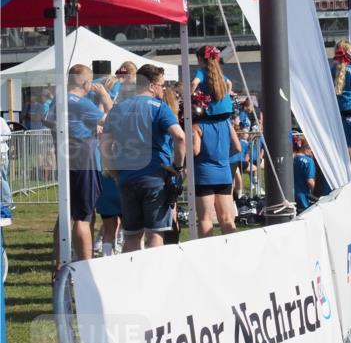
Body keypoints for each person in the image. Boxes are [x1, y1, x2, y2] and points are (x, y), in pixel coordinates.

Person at [102, 65, 185, 253]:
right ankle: (154, 279)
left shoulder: (117, 109)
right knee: (155, 235)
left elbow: (104, 145)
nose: (163, 90)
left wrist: (114, 172)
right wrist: (177, 167)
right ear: (152, 85)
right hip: (155, 178)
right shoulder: (160, 108)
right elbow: (180, 137)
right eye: (162, 85)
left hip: (126, 178)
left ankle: (130, 279)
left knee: (131, 236)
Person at [46, 65, 112, 263]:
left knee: (66, 213)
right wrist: (105, 95)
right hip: (84, 160)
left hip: (67, 158)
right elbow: (113, 118)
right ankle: (85, 267)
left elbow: (49, 121)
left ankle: (60, 266)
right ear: (86, 83)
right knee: (84, 216)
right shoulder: (80, 103)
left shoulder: (59, 99)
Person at [190, 46, 239, 237]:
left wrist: (189, 97)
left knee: (205, 219)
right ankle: (233, 253)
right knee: (227, 219)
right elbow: (236, 147)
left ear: (201, 59)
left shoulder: (198, 127)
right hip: (224, 171)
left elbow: (195, 150)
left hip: (204, 174)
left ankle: (206, 255)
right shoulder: (226, 125)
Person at [292, 137, 316, 213]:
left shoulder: (292, 158)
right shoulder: (309, 161)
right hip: (304, 199)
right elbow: (310, 181)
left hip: (290, 196)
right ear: (307, 147)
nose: (313, 152)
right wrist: (315, 194)